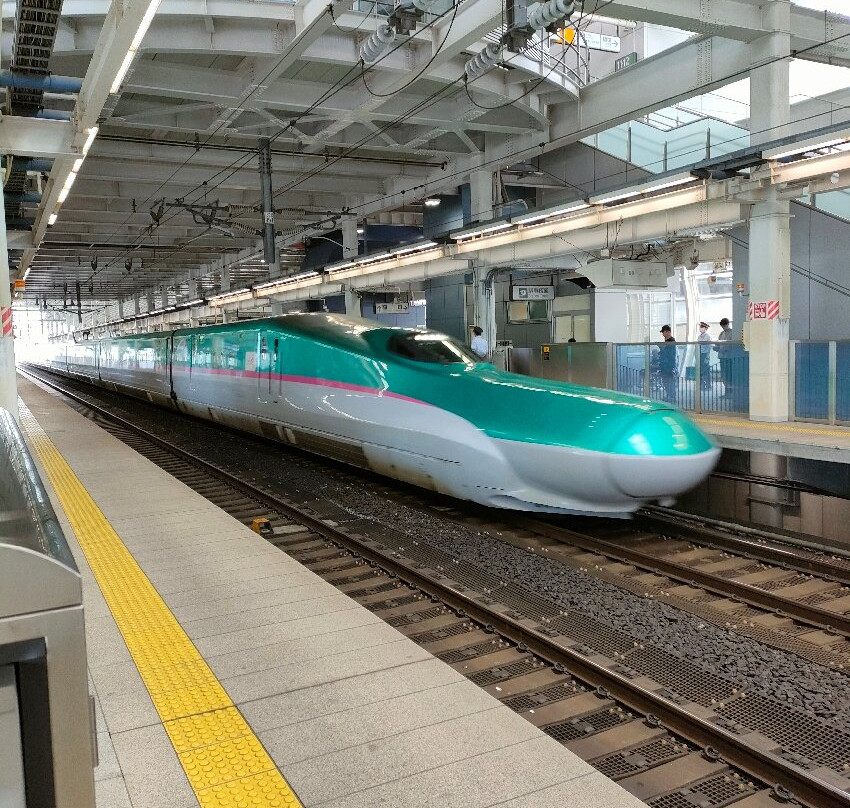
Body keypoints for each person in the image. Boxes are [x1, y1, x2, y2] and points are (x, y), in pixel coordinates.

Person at [658, 324, 678, 403]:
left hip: (669, 365)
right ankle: (669, 395)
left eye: (664, 332)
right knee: (665, 381)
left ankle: (672, 397)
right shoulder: (666, 341)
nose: (663, 334)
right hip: (664, 365)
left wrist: (662, 348)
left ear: (668, 332)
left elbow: (669, 354)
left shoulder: (672, 341)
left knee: (670, 381)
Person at [717, 317, 735, 398]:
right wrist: (717, 348)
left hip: (729, 357)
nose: (723, 328)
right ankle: (727, 392)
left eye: (724, 326)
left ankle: (730, 392)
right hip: (722, 357)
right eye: (722, 326)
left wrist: (725, 349)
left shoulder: (732, 333)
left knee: (729, 375)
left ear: (728, 324)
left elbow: (732, 345)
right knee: (724, 375)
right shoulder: (721, 333)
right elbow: (718, 344)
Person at [697, 321, 712, 391]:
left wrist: (707, 357)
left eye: (702, 327)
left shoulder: (707, 336)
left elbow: (706, 346)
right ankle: (702, 385)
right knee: (701, 370)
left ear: (705, 328)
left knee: (706, 370)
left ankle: (708, 385)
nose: (700, 328)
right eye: (700, 327)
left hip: (705, 354)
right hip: (700, 354)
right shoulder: (699, 336)